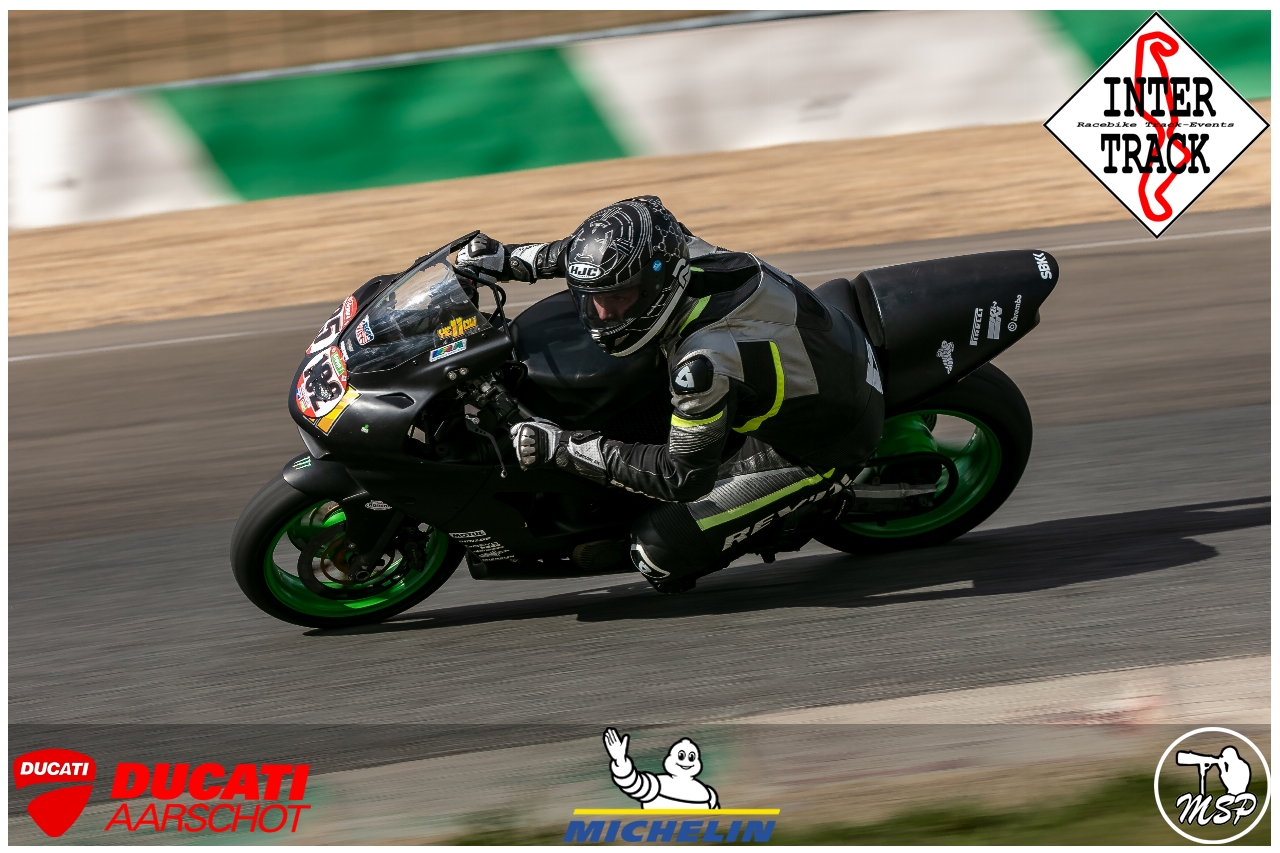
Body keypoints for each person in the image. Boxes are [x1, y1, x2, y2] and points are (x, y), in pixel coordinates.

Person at [456, 196, 883, 593]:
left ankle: (808, 506)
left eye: (619, 298)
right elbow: (587, 254)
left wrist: (563, 448)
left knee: (657, 552)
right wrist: (507, 259)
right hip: (815, 354)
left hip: (820, 441)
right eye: (594, 299)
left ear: (659, 284)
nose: (602, 313)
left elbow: (681, 476)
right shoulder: (675, 249)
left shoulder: (705, 363)